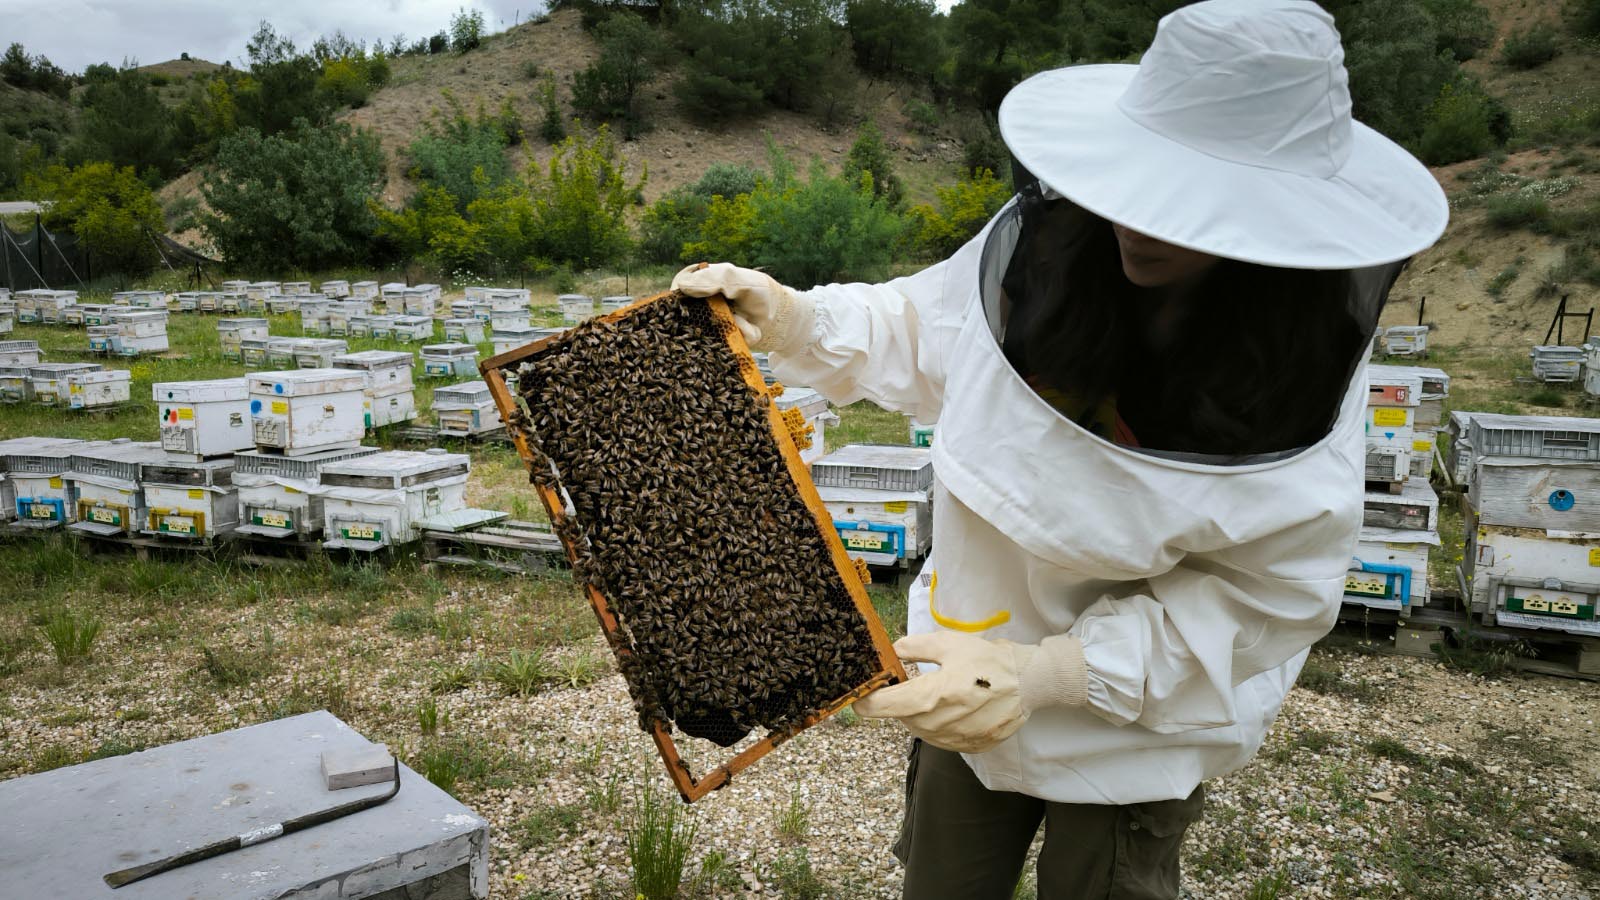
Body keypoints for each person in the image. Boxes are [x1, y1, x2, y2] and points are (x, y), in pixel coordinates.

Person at [674, 1, 1447, 897]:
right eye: (1137, 184)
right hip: (964, 657)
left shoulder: (1298, 371)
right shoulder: (1050, 246)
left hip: (1137, 730)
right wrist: (801, 316)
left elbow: (1263, 597)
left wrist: (1054, 673)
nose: (1141, 223)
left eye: (1187, 203)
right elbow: (924, 327)